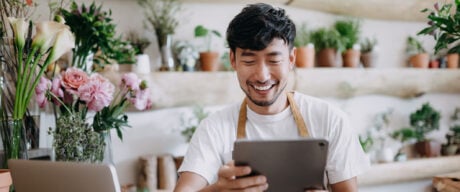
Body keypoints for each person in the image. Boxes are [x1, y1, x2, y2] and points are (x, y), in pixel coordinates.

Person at [174, 3, 369, 192]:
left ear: (291, 59)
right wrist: (219, 190)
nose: (262, 75)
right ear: (233, 60)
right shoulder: (214, 128)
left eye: (274, 60)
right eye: (249, 60)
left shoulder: (330, 119)